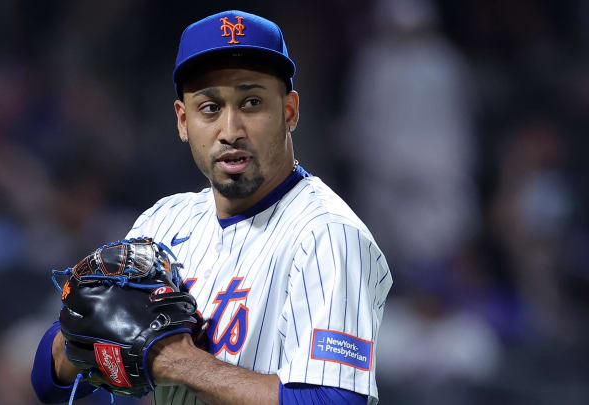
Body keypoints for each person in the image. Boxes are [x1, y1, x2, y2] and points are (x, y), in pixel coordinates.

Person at [31, 10, 392, 405]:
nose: (231, 130)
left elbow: (337, 401)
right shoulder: (164, 222)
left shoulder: (327, 234)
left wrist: (177, 362)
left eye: (251, 102)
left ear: (289, 111)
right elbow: (49, 382)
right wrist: (83, 326)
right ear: (183, 121)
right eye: (209, 108)